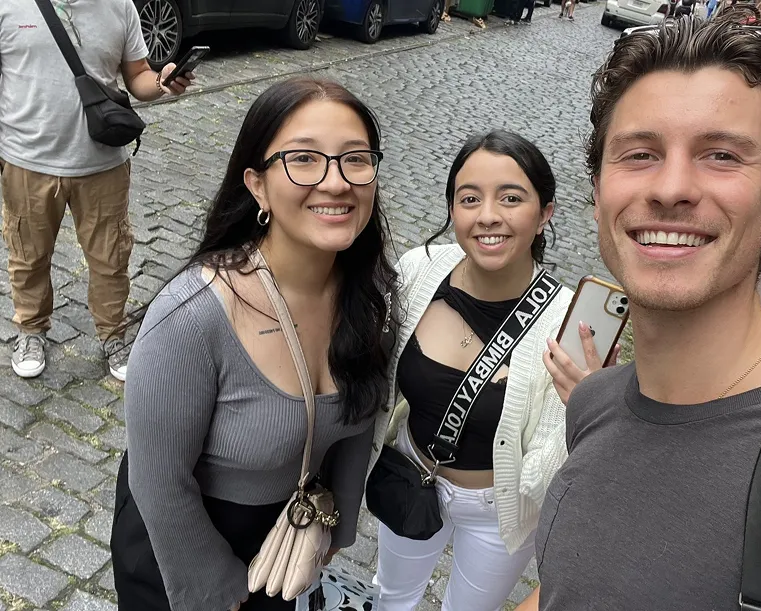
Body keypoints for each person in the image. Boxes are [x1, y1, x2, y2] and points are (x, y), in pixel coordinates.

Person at [519, 16, 761, 611]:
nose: (671, 187)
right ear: (596, 193)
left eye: (721, 155)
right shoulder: (595, 403)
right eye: (640, 154)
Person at [109, 78, 398, 611]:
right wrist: (217, 587)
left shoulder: (372, 296)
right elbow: (159, 482)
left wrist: (336, 528)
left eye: (355, 159)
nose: (336, 182)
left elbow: (362, 420)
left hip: (284, 546)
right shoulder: (191, 317)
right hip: (179, 550)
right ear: (257, 185)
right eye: (304, 159)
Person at [372, 130, 585, 611]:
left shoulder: (569, 323)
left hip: (496, 511)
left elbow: (556, 465)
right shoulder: (420, 270)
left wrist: (584, 408)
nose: (488, 215)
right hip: (411, 472)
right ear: (452, 210)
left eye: (511, 198)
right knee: (391, 596)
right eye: (470, 198)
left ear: (545, 213)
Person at [0, 0, 195, 381]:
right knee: (28, 254)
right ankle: (31, 331)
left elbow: (137, 74)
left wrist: (162, 82)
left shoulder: (119, 5)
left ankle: (114, 335)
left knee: (111, 258)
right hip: (26, 159)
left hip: (102, 161)